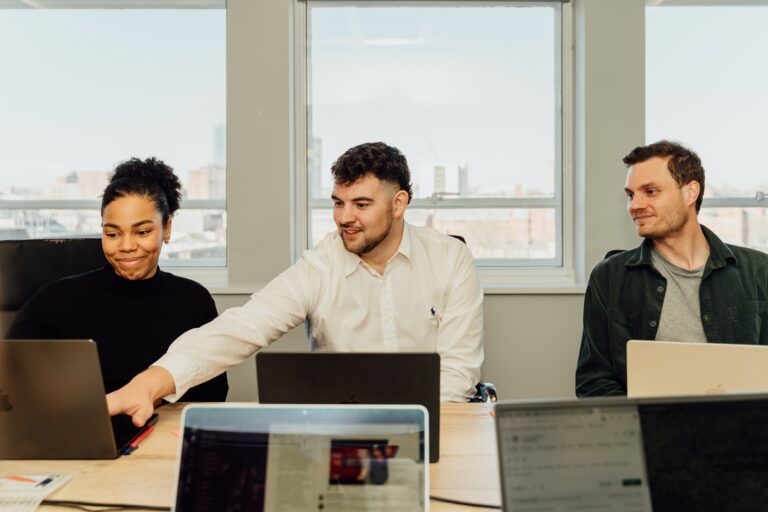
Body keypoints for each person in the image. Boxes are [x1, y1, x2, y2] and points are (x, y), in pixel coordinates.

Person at [109, 142, 484, 425]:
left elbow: (456, 376)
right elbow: (242, 327)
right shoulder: (321, 266)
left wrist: (407, 430)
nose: (344, 218)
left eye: (361, 204)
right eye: (338, 203)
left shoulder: (451, 260)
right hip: (339, 430)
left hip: (435, 426)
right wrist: (149, 383)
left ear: (399, 203)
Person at [7, 157, 228, 401]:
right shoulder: (54, 300)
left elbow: (213, 393)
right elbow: (11, 381)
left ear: (167, 229)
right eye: (112, 233)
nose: (126, 246)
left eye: (142, 232)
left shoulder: (194, 302)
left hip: (162, 431)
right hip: (80, 430)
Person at [575, 140, 768, 397]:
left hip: (743, 429)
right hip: (651, 431)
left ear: (690, 193)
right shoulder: (610, 277)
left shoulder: (759, 271)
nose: (635, 205)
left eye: (650, 191)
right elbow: (594, 382)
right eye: (631, 195)